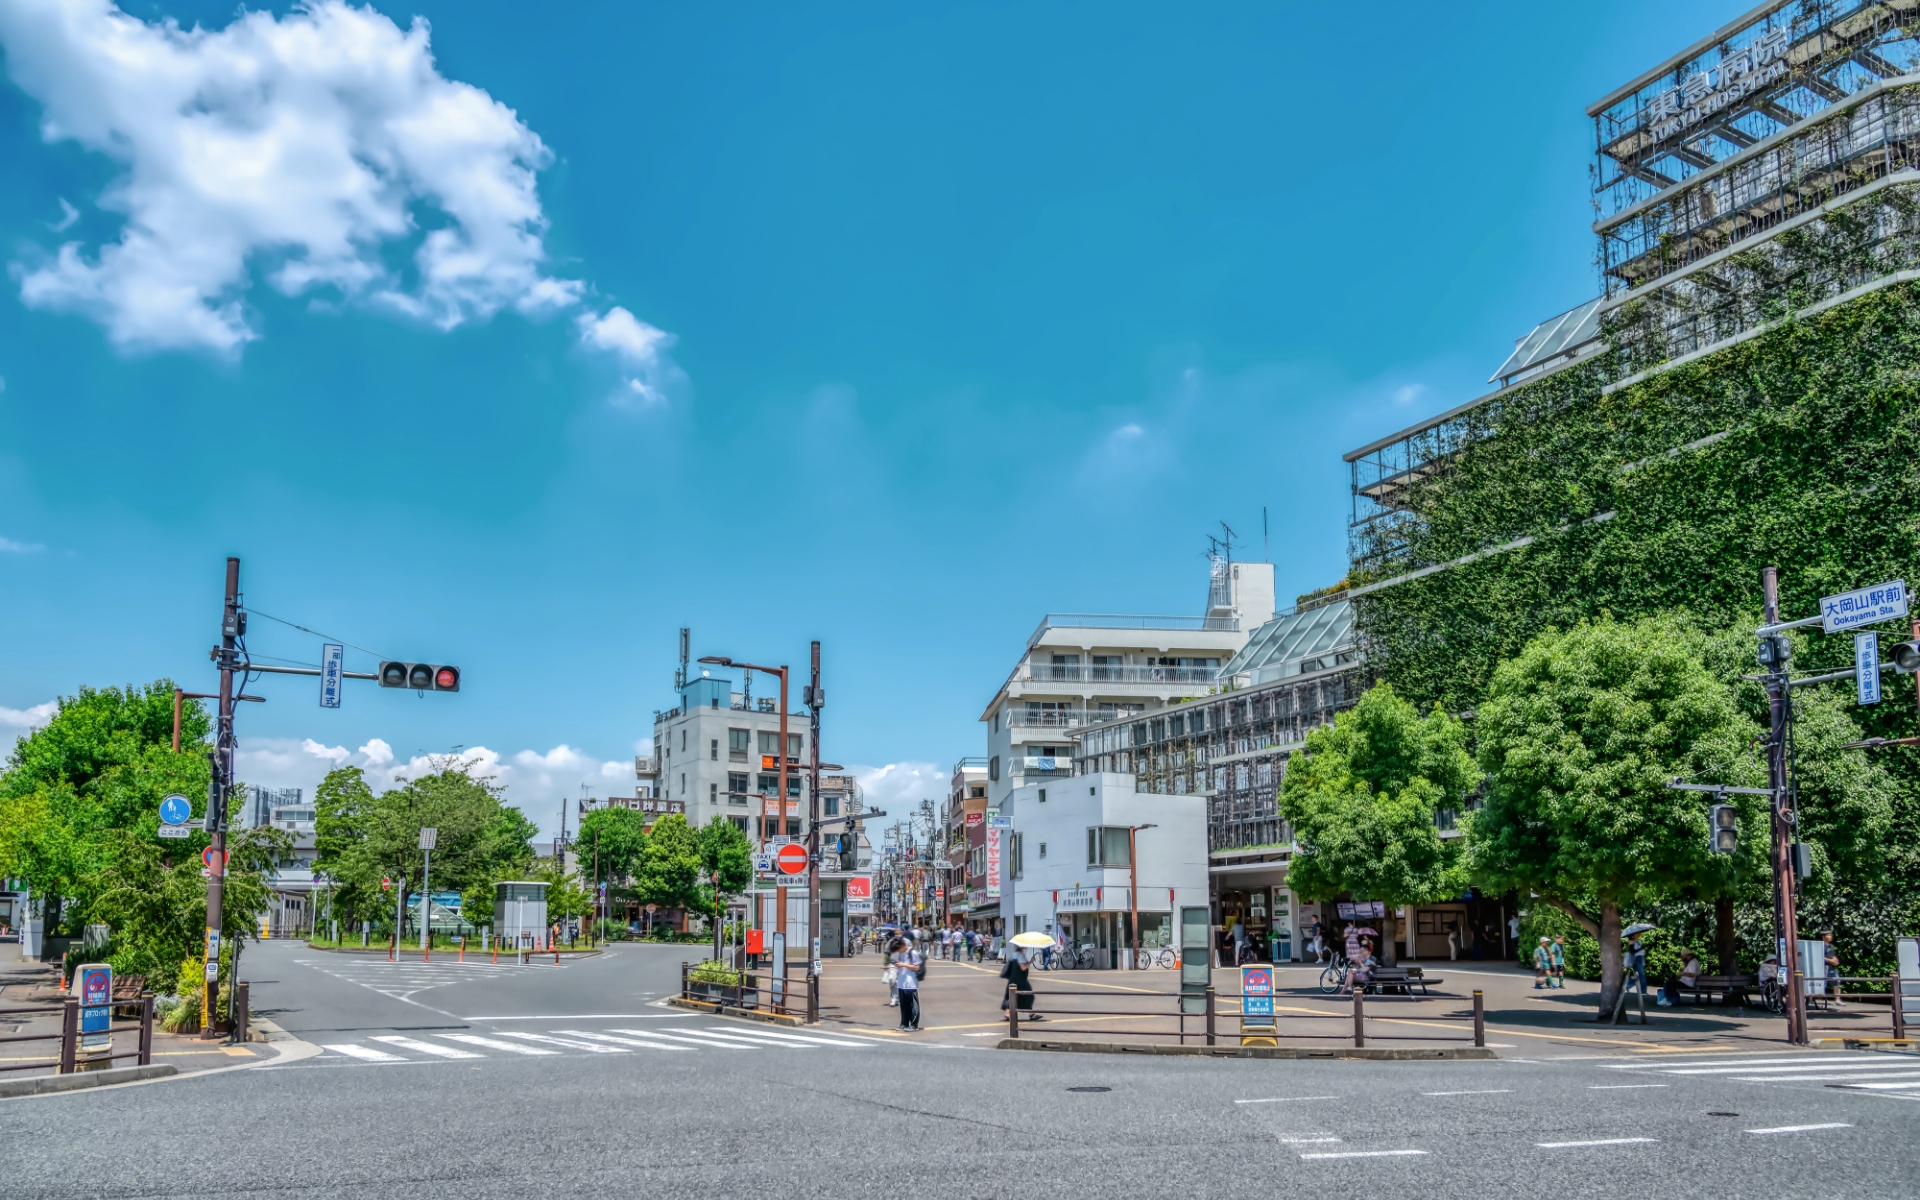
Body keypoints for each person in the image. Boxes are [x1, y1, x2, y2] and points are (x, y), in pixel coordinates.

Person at [891, 936, 923, 1031]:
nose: (898, 951)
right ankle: (904, 1023)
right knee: (904, 1005)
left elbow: (917, 967)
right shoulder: (900, 953)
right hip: (901, 982)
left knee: (913, 1005)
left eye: (898, 949)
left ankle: (914, 1024)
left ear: (902, 945)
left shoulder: (912, 952)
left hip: (911, 983)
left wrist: (903, 965)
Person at [1001, 947, 1038, 1021]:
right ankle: (1031, 1014)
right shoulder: (1021, 955)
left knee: (1011, 996)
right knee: (1028, 996)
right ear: (1022, 947)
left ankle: (1007, 1014)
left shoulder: (1014, 954)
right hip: (1020, 980)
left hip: (1012, 979)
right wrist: (1031, 961)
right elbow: (1023, 967)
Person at [1624, 932, 1648, 999]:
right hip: (1636, 959)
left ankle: (1627, 986)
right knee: (1641, 975)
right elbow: (1632, 951)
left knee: (1638, 976)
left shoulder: (1639, 941)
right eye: (1637, 934)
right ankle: (1643, 991)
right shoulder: (1631, 942)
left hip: (1640, 958)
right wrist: (1641, 948)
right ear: (1633, 935)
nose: (1639, 935)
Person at [1822, 931, 1843, 1005]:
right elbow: (1820, 957)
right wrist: (1830, 960)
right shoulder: (1821, 946)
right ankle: (1813, 998)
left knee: (1837, 982)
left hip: (1832, 968)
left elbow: (1833, 955)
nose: (1831, 936)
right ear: (1823, 937)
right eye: (1828, 935)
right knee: (1822, 984)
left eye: (1831, 935)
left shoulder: (1831, 946)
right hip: (1824, 967)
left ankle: (1837, 999)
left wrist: (1836, 960)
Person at [884, 937, 902, 1006]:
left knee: (899, 983)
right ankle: (894, 999)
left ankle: (897, 999)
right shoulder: (891, 941)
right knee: (892, 980)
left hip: (902, 965)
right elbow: (886, 952)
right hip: (893, 964)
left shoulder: (905, 941)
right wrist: (885, 963)